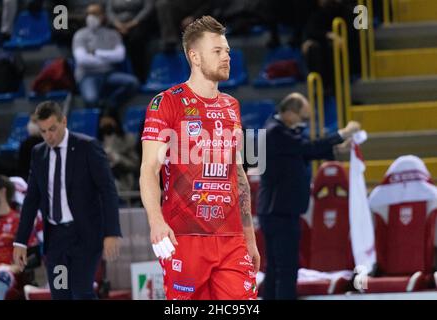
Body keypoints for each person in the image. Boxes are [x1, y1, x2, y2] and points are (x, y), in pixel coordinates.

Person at [140, 16, 259, 300]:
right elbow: (149, 168)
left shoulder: (232, 106)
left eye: (227, 50)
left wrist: (249, 237)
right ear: (194, 56)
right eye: (217, 51)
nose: (226, 57)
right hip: (185, 237)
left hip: (231, 240)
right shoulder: (166, 102)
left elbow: (238, 174)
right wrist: (156, 222)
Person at [12, 101, 122, 300]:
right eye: (43, 131)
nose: (49, 136)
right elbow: (31, 200)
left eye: (52, 129)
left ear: (64, 121)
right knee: (61, 293)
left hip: (85, 236)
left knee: (81, 292)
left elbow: (108, 190)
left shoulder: (87, 147)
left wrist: (112, 232)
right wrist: (20, 241)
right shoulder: (38, 154)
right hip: (56, 240)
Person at [257, 92, 360, 300]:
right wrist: (342, 133)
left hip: (279, 210)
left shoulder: (282, 132)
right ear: (288, 113)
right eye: (301, 117)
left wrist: (337, 148)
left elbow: (304, 152)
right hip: (279, 212)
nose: (302, 123)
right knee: (286, 268)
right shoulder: (275, 132)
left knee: (277, 268)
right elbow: (306, 147)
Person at [72, 3, 139, 109]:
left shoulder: (113, 34)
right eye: (89, 14)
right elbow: (82, 60)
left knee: (133, 83)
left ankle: (110, 105)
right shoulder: (80, 35)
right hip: (87, 75)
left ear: (103, 16)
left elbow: (120, 56)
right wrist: (108, 59)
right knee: (91, 99)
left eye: (95, 14)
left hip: (109, 74)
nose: (91, 17)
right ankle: (99, 119)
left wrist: (96, 53)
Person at [0, 174, 22, 300]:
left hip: (4, 274)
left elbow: (32, 257)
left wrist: (15, 267)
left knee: (2, 276)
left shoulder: (19, 222)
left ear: (2, 192)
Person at [107, 0, 157, 83]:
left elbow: (148, 8)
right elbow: (109, 11)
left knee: (137, 44)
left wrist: (133, 23)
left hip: (138, 25)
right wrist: (117, 24)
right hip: (116, 27)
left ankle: (140, 78)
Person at [98, 111, 140, 192]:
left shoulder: (128, 139)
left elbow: (135, 165)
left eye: (109, 124)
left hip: (123, 182)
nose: (106, 127)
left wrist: (118, 158)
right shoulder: (97, 143)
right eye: (103, 124)